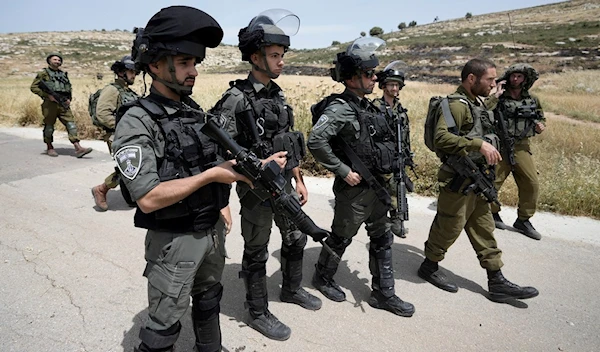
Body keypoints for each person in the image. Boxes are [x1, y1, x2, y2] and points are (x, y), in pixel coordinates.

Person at [111, 6, 257, 352]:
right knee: (163, 324)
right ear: (155, 64)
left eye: (195, 63)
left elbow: (208, 161)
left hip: (210, 231)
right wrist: (212, 177)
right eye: (183, 63)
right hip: (175, 242)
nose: (193, 71)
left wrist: (226, 193)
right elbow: (147, 196)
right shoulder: (137, 120)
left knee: (209, 300)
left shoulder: (192, 112)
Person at [210, 9, 320, 341]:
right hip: (255, 190)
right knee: (257, 248)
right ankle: (257, 311)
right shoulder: (235, 99)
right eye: (275, 55)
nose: (281, 61)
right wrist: (222, 202)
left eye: (283, 55)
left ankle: (291, 289)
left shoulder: (278, 96)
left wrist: (299, 178)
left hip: (284, 184)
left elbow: (289, 141)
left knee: (296, 237)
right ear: (256, 57)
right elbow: (216, 152)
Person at [307, 37, 415, 317]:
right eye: (369, 74)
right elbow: (317, 141)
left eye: (374, 73)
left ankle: (383, 293)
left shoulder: (369, 107)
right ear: (353, 79)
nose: (374, 78)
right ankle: (322, 276)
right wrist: (343, 171)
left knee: (382, 237)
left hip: (378, 187)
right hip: (354, 191)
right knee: (341, 237)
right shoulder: (341, 108)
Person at [417, 58, 539, 303]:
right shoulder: (455, 105)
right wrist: (478, 144)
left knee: (485, 228)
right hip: (459, 180)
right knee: (449, 227)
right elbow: (441, 138)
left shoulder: (477, 104)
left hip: (479, 179)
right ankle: (429, 267)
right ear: (471, 79)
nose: (494, 84)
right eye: (490, 80)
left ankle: (497, 281)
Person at [488, 63, 546, 240]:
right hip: (500, 146)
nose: (515, 79)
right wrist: (495, 95)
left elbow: (541, 119)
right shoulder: (500, 98)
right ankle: (492, 213)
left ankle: (523, 220)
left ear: (525, 79)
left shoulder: (532, 100)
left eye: (519, 76)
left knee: (531, 183)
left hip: (522, 146)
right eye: (513, 76)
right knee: (492, 182)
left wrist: (540, 126)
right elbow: (483, 111)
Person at [91, 55, 139, 211]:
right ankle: (102, 189)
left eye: (135, 71)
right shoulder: (112, 90)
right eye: (131, 71)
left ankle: (131, 196)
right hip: (117, 135)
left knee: (133, 165)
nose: (134, 75)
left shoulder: (127, 91)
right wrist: (123, 128)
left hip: (129, 134)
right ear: (121, 72)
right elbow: (103, 113)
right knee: (127, 166)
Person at [373, 60, 414, 238]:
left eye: (397, 85)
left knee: (399, 185)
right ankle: (382, 218)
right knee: (382, 187)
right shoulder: (375, 107)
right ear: (383, 86)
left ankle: (397, 219)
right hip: (381, 155)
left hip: (398, 155)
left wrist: (408, 155)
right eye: (391, 84)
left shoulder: (401, 111)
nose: (394, 88)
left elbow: (406, 134)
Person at [30, 53, 92, 158]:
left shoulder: (63, 75)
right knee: (49, 127)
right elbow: (34, 87)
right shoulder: (43, 74)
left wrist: (69, 99)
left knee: (71, 125)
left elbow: (68, 87)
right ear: (49, 61)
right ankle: (49, 147)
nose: (57, 61)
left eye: (59, 60)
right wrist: (47, 96)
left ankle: (78, 147)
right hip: (50, 104)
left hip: (63, 103)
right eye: (55, 59)